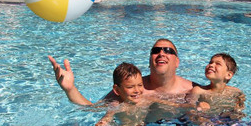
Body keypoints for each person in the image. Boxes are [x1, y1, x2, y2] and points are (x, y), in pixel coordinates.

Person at [48, 38, 196, 106]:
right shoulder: (131, 88)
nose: (161, 53)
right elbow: (93, 109)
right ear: (150, 60)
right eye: (155, 51)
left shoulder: (192, 90)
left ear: (177, 62)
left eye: (168, 51)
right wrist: (70, 89)